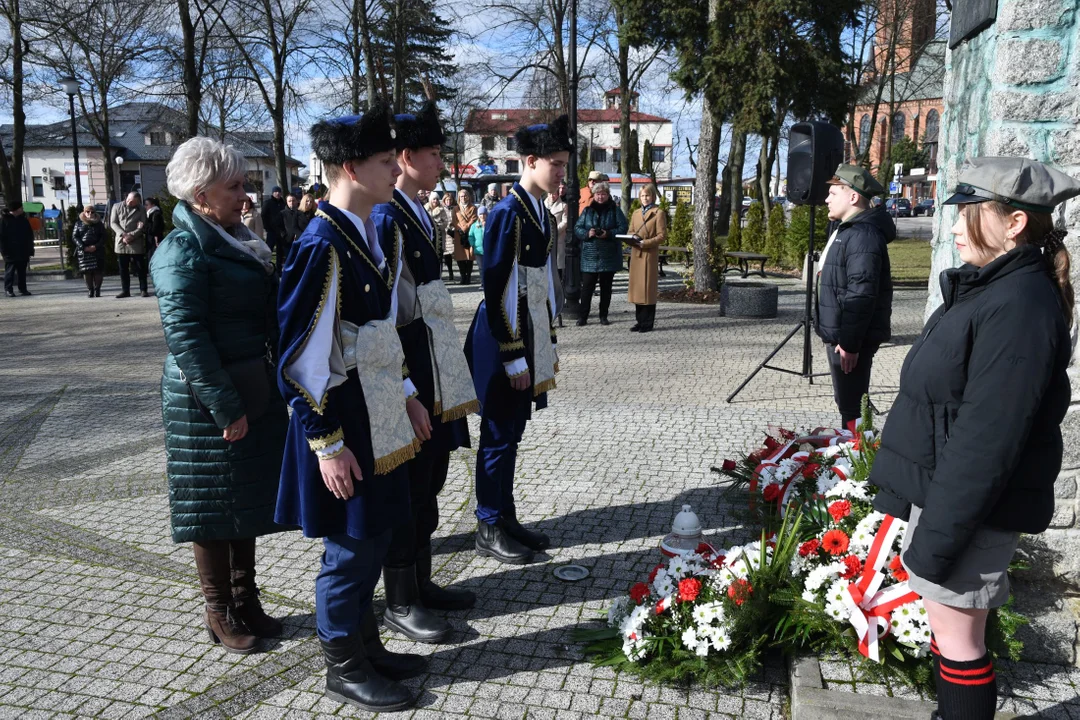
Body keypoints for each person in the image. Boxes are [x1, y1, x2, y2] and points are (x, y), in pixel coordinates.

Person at [869, 157, 1079, 720]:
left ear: (1014, 224)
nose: (955, 228)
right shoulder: (993, 290)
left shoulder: (1018, 306)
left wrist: (938, 537)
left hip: (968, 508)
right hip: (948, 498)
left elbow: (988, 441)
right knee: (950, 634)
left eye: (969, 213)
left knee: (961, 641)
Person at [275, 105, 425, 712]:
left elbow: (383, 331)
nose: (397, 169)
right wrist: (326, 443)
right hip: (341, 416)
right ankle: (341, 662)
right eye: (385, 162)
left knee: (381, 529)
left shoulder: (378, 230)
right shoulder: (320, 244)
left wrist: (410, 395)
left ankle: (366, 641)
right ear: (348, 167)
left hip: (383, 403)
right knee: (350, 544)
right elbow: (298, 357)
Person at [149, 136, 286, 655]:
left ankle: (245, 599)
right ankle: (218, 608)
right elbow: (185, 334)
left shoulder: (231, 238)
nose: (245, 194)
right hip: (205, 399)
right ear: (200, 193)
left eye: (244, 183)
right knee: (209, 506)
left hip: (246, 384)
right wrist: (225, 404)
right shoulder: (181, 249)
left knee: (242, 499)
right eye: (234, 186)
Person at [371, 102, 478, 644]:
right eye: (434, 154)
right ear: (407, 158)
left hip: (431, 355)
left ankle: (423, 580)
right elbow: (389, 309)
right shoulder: (388, 216)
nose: (442, 162)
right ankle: (401, 599)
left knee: (430, 476)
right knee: (410, 483)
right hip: (410, 358)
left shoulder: (412, 207)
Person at [464, 116, 569, 565]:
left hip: (528, 333)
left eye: (565, 164)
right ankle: (488, 523)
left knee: (513, 433)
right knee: (498, 434)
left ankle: (505, 515)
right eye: (557, 164)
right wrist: (512, 354)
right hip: (504, 336)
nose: (564, 173)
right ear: (530, 161)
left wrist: (545, 339)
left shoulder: (540, 211)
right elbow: (497, 284)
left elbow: (542, 281)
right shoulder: (509, 212)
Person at [817, 163, 894, 431]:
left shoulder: (862, 235)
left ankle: (860, 461)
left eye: (833, 193)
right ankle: (854, 454)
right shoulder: (846, 229)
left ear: (852, 197)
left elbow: (862, 292)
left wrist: (850, 344)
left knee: (853, 406)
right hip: (841, 336)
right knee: (848, 402)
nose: (826, 198)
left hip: (849, 341)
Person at [574, 180, 627, 326]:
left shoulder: (615, 210)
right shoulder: (587, 211)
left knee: (606, 288)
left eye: (603, 194)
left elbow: (623, 228)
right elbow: (577, 228)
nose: (600, 197)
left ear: (608, 195)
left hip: (608, 256)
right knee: (587, 289)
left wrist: (608, 234)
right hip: (589, 256)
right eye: (598, 194)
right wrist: (587, 233)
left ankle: (603, 315)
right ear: (594, 195)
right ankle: (583, 316)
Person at [627, 184, 666, 332]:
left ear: (653, 197)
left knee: (647, 290)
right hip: (636, 254)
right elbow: (631, 230)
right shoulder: (636, 213)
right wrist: (632, 238)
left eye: (647, 195)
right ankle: (639, 320)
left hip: (649, 254)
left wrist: (646, 243)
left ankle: (648, 323)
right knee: (638, 289)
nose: (645, 198)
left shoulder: (658, 213)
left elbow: (662, 235)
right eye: (642, 196)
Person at [111, 191, 149, 298]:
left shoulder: (141, 209)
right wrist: (123, 235)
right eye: (128, 200)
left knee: (140, 267)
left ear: (137, 202)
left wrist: (131, 235)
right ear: (126, 197)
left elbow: (142, 226)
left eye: (132, 202)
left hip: (135, 241)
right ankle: (125, 290)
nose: (129, 203)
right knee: (123, 268)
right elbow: (113, 223)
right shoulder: (116, 206)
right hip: (121, 241)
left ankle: (143, 289)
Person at [1, 200, 34, 297]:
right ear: (16, 209)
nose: (22, 209)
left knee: (22, 272)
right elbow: (2, 237)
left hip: (22, 250)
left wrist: (30, 249)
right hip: (10, 251)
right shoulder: (4, 220)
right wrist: (4, 251)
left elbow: (29, 235)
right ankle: (8, 289)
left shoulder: (23, 220)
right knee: (10, 272)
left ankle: (22, 289)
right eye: (21, 208)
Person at [73, 205, 106, 298]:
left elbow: (103, 237)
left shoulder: (99, 224)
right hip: (84, 251)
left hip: (97, 250)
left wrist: (95, 246)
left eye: (92, 212)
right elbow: (75, 237)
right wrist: (83, 247)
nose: (90, 214)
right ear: (84, 212)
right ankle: (90, 290)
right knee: (87, 271)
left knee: (97, 271)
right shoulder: (78, 224)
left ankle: (97, 289)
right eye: (88, 212)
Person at [452, 188, 477, 284]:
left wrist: (466, 227)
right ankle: (463, 276)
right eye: (461, 196)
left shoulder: (473, 208)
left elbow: (474, 219)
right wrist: (459, 228)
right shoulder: (455, 209)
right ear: (458, 197)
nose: (463, 197)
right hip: (459, 235)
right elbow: (454, 221)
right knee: (460, 257)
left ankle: (468, 277)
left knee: (469, 257)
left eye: (465, 195)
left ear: (468, 197)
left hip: (469, 233)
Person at [545, 182, 567, 279]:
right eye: (550, 194)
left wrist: (554, 231)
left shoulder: (563, 206)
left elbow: (565, 222)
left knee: (558, 267)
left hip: (558, 238)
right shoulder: (543, 204)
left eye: (554, 194)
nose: (552, 196)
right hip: (545, 238)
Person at [261, 186, 288, 266]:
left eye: (279, 192)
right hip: (271, 231)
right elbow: (263, 215)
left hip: (281, 231)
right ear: (273, 193)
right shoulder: (268, 203)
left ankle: (279, 269)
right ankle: (266, 265)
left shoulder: (283, 203)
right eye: (276, 192)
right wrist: (266, 227)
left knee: (280, 251)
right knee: (268, 249)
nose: (278, 193)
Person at [438, 192, 456, 281]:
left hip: (453, 233)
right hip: (445, 234)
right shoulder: (441, 209)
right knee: (446, 254)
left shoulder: (455, 209)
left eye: (450, 200)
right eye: (447, 200)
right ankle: (450, 272)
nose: (449, 201)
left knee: (454, 254)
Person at [144, 197, 165, 264]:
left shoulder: (155, 215)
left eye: (147, 205)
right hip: (152, 241)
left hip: (154, 241)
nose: (145, 207)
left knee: (153, 259)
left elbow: (154, 230)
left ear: (153, 205)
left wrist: (143, 227)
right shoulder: (151, 214)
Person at [470, 205, 487, 278]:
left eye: (484, 214)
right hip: (478, 250)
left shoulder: (490, 224)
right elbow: (471, 236)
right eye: (480, 214)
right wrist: (472, 245)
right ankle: (482, 283)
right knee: (481, 268)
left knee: (488, 267)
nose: (482, 216)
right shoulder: (474, 226)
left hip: (488, 250)